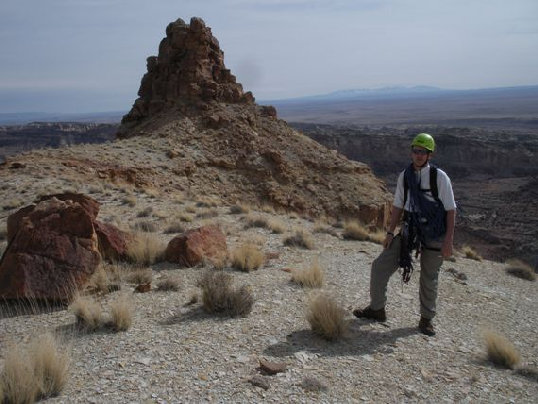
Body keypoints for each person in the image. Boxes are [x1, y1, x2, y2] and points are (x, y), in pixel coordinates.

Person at [353, 133, 456, 336]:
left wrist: (448, 241)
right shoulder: (405, 176)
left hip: (435, 233)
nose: (418, 155)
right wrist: (390, 232)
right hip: (411, 229)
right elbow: (398, 205)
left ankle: (426, 319)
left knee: (429, 276)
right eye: (415, 151)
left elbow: (451, 210)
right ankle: (377, 309)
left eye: (423, 152)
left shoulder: (439, 177)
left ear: (430, 155)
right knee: (380, 266)